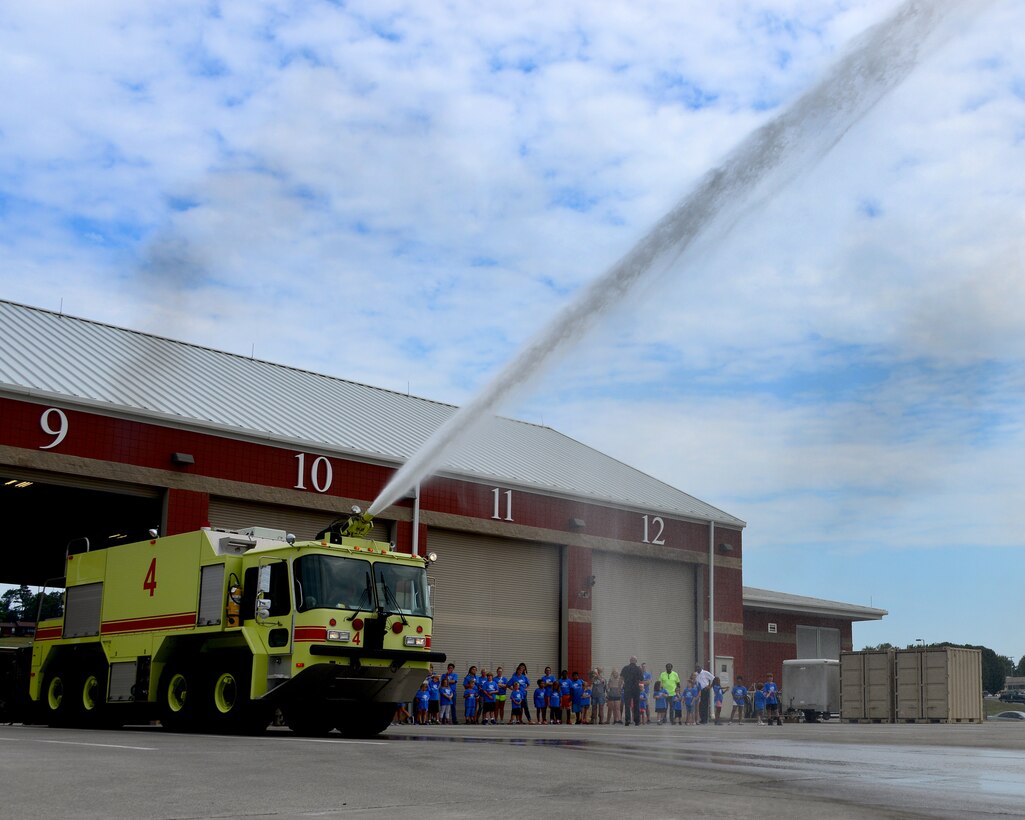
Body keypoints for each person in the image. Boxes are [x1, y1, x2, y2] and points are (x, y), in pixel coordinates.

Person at [620, 657, 643, 726]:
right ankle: (637, 721)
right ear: (636, 661)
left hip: (627, 688)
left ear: (630, 661)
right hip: (636, 688)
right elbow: (641, 679)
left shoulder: (625, 668)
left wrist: (619, 688)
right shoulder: (638, 669)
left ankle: (627, 720)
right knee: (636, 704)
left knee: (627, 705)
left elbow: (621, 678)